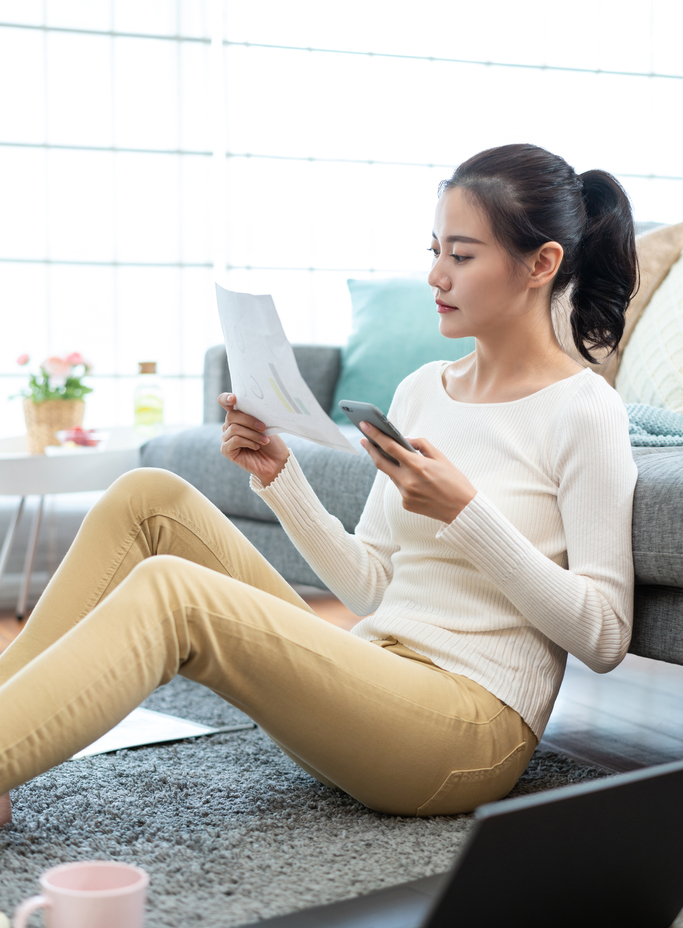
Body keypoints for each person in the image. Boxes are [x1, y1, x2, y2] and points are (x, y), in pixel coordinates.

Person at [0, 143, 638, 828]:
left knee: (173, 594)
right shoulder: (423, 390)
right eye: (433, 250)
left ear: (539, 264)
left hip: (465, 732)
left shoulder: (583, 410)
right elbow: (369, 586)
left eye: (460, 255)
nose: (434, 275)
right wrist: (281, 478)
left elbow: (602, 637)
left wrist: (466, 515)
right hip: (373, 681)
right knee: (147, 498)